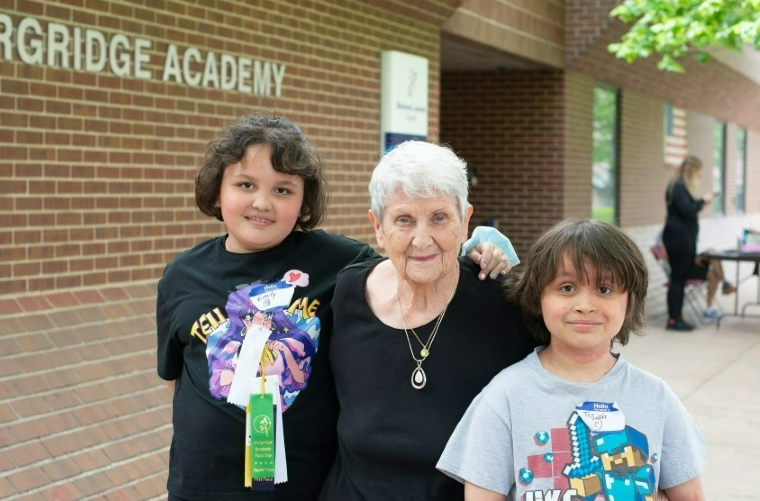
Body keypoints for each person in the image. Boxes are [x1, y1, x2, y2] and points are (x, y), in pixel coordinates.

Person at [156, 115, 512, 500]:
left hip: (300, 487)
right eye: (245, 185)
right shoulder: (182, 276)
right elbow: (177, 380)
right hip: (200, 486)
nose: (262, 202)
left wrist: (480, 246)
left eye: (283, 190)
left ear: (303, 199)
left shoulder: (337, 263)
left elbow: (410, 254)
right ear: (216, 191)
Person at [319, 141, 538, 501]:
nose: (422, 240)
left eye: (439, 218)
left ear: (466, 221)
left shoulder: (504, 302)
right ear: (378, 226)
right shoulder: (347, 293)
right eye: (404, 220)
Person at [437, 218, 707, 501]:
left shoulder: (656, 397)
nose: (585, 306)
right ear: (537, 297)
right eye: (566, 287)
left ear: (629, 302)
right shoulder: (504, 398)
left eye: (604, 289)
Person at [662, 155, 735, 331]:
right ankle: (674, 320)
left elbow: (687, 206)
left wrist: (701, 202)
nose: (699, 177)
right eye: (698, 173)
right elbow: (687, 210)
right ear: (691, 171)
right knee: (678, 279)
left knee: (680, 277)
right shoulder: (678, 186)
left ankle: (677, 318)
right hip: (679, 239)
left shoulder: (679, 187)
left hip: (682, 239)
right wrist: (702, 201)